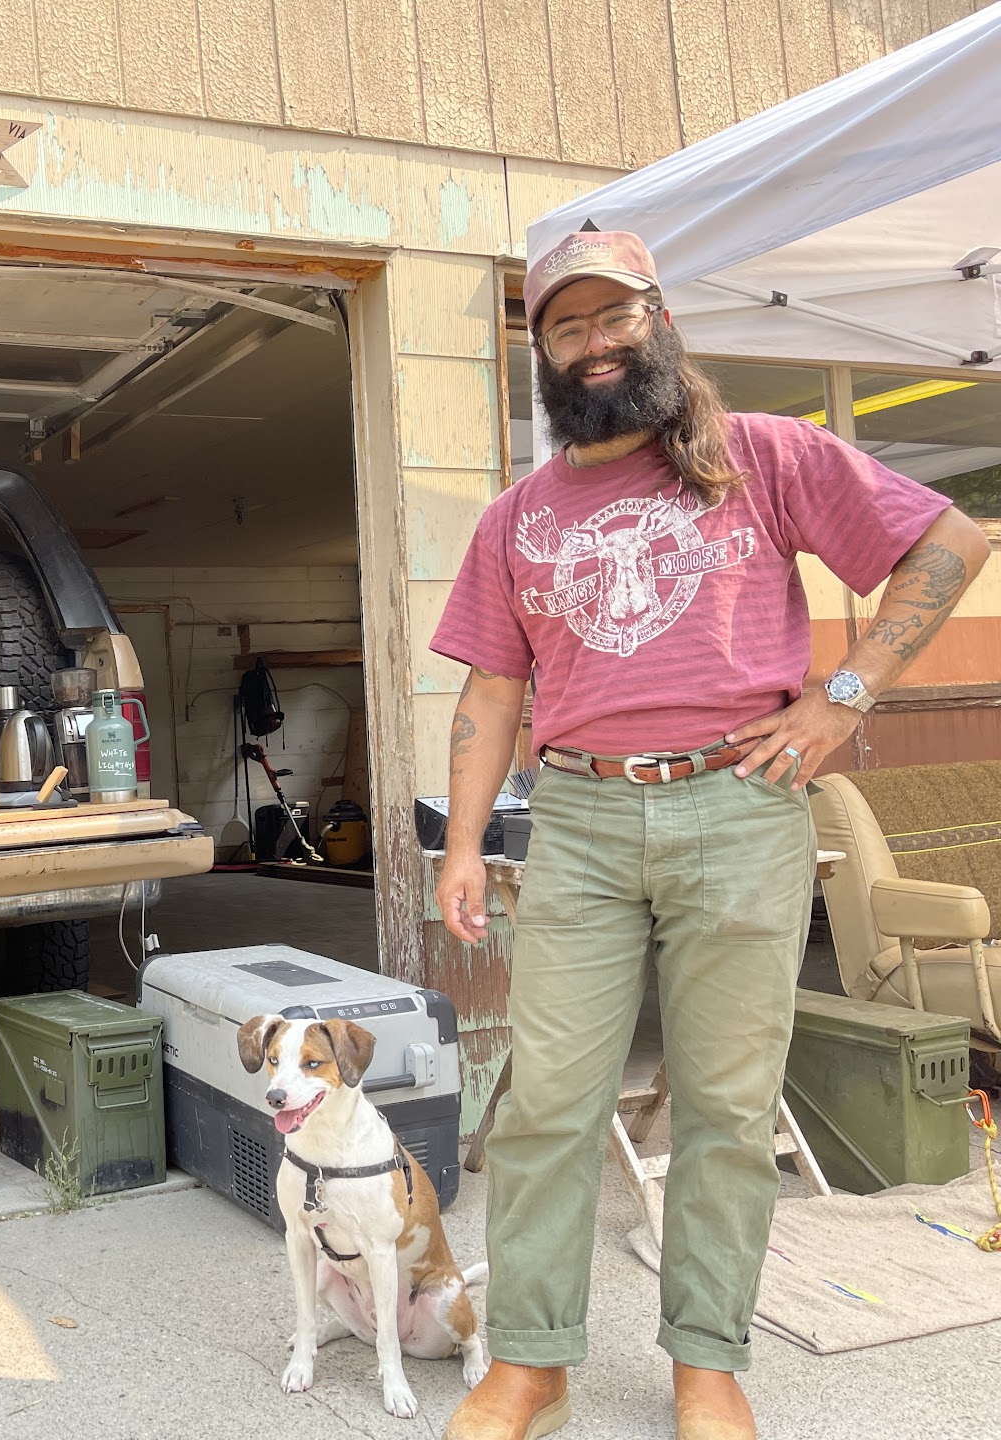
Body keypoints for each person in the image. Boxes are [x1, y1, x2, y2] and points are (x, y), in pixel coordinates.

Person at [430, 230, 989, 1440]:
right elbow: (491, 690)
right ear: (542, 354)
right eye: (565, 328)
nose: (593, 344)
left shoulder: (761, 455)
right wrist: (464, 845)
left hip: (737, 806)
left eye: (613, 317)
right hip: (577, 818)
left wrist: (844, 699)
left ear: (660, 321)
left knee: (729, 1109)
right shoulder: (516, 519)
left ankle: (707, 1365)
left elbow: (952, 541)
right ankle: (531, 1363)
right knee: (546, 1107)